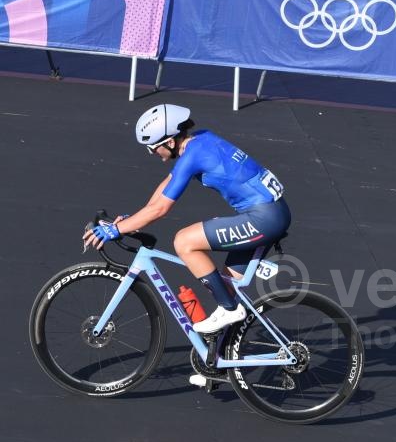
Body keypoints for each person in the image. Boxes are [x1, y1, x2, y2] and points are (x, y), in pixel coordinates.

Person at [82, 104, 291, 341]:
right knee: (228, 287)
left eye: (153, 148)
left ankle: (230, 310)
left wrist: (116, 229)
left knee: (184, 242)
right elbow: (168, 184)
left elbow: (161, 209)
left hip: (264, 218)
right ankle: (219, 361)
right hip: (271, 212)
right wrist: (137, 219)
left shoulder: (193, 155)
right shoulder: (201, 138)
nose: (152, 153)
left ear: (170, 142)